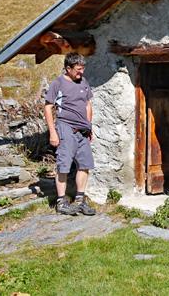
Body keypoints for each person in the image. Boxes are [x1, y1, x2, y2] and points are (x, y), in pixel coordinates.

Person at [44, 52, 96, 216]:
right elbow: (48, 107)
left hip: (83, 131)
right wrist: (53, 132)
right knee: (64, 165)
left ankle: (80, 201)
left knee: (85, 164)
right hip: (65, 127)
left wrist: (89, 126)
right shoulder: (58, 83)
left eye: (83, 69)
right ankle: (61, 202)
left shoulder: (84, 82)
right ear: (68, 68)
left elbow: (87, 104)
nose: (81, 73)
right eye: (78, 70)